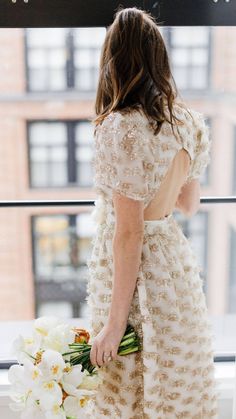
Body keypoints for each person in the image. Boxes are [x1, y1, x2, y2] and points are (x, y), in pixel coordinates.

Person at [85, 6, 220, 418]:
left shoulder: (120, 126)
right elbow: (189, 205)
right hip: (174, 266)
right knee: (172, 378)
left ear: (114, 58)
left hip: (135, 270)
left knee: (129, 380)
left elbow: (129, 233)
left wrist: (113, 323)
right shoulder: (188, 122)